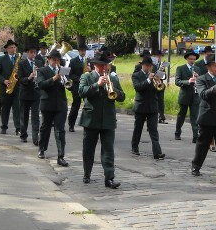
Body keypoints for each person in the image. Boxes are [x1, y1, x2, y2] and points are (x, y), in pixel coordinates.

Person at [78, 49, 125, 189]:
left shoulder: (114, 78)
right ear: (94, 65)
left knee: (108, 150)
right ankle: (87, 173)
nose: (104, 68)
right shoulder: (86, 77)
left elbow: (122, 97)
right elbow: (81, 92)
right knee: (88, 149)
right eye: (100, 65)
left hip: (108, 119)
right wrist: (97, 85)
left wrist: (113, 90)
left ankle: (109, 178)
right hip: (91, 118)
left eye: (105, 65)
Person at [190, 53, 216, 176]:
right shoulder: (202, 79)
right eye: (214, 65)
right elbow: (203, 95)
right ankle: (195, 166)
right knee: (202, 145)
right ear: (208, 67)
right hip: (207, 117)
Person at [35, 50, 69, 166]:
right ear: (49, 59)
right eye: (54, 60)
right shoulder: (42, 71)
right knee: (45, 128)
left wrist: (66, 80)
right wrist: (55, 78)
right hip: (47, 104)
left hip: (60, 104)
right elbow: (41, 85)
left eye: (58, 60)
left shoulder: (62, 70)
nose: (56, 62)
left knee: (60, 130)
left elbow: (69, 85)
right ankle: (41, 149)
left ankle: (61, 156)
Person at [131, 56, 165, 159]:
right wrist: (149, 80)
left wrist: (159, 82)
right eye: (147, 65)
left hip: (153, 107)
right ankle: (135, 147)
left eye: (150, 66)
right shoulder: (136, 75)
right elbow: (138, 88)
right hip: (141, 106)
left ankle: (157, 152)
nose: (148, 67)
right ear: (142, 65)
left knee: (153, 130)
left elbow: (160, 90)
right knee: (138, 128)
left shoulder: (155, 75)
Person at [0, 39, 21, 135]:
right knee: (5, 109)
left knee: (17, 109)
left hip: (17, 88)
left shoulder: (19, 58)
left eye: (14, 47)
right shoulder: (2, 59)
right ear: (7, 49)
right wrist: (4, 80)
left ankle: (18, 128)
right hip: (5, 87)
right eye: (11, 47)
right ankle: (4, 127)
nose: (13, 49)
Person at [174, 50, 201, 143]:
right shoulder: (180, 68)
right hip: (185, 95)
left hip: (195, 96)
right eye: (190, 59)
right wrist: (188, 81)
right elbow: (177, 81)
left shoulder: (197, 68)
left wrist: (198, 78)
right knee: (181, 115)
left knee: (195, 116)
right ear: (186, 59)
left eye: (194, 59)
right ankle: (177, 132)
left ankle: (195, 136)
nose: (192, 61)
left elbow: (201, 82)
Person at [18, 44, 42, 145]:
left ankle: (35, 138)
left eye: (34, 52)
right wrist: (29, 77)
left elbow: (42, 76)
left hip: (36, 93)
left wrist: (38, 74)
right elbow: (20, 78)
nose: (33, 54)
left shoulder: (39, 62)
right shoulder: (22, 64)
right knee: (24, 115)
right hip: (25, 93)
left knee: (35, 116)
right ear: (27, 53)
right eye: (31, 52)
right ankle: (23, 134)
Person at [67, 43, 88, 132]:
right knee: (76, 105)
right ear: (79, 51)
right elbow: (70, 74)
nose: (83, 52)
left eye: (84, 51)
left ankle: (87, 124)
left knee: (88, 106)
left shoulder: (88, 61)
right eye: (82, 51)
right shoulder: (73, 61)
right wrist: (79, 79)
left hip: (87, 86)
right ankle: (71, 124)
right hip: (76, 86)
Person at [151, 49, 167, 124]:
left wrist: (161, 76)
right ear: (154, 56)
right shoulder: (151, 64)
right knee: (152, 101)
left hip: (160, 84)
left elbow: (165, 76)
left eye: (160, 56)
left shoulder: (162, 64)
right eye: (158, 56)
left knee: (161, 101)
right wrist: (154, 76)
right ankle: (151, 116)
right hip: (152, 85)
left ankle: (161, 117)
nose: (159, 57)